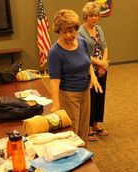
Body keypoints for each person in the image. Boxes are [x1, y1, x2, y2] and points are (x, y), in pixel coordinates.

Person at [48, 9, 102, 145]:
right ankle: (73, 161)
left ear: (76, 29)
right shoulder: (55, 52)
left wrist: (94, 78)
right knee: (72, 131)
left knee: (84, 129)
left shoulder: (82, 42)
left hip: (85, 92)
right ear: (58, 31)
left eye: (71, 31)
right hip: (69, 95)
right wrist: (55, 104)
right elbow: (54, 80)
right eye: (63, 31)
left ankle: (83, 158)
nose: (68, 35)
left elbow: (87, 61)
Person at [78, 1, 109, 142]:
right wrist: (100, 63)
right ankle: (88, 128)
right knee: (90, 99)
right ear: (86, 16)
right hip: (88, 70)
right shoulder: (80, 32)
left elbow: (105, 47)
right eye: (91, 16)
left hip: (102, 69)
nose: (95, 18)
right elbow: (84, 53)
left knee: (100, 96)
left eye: (96, 15)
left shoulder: (99, 29)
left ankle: (96, 125)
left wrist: (104, 65)